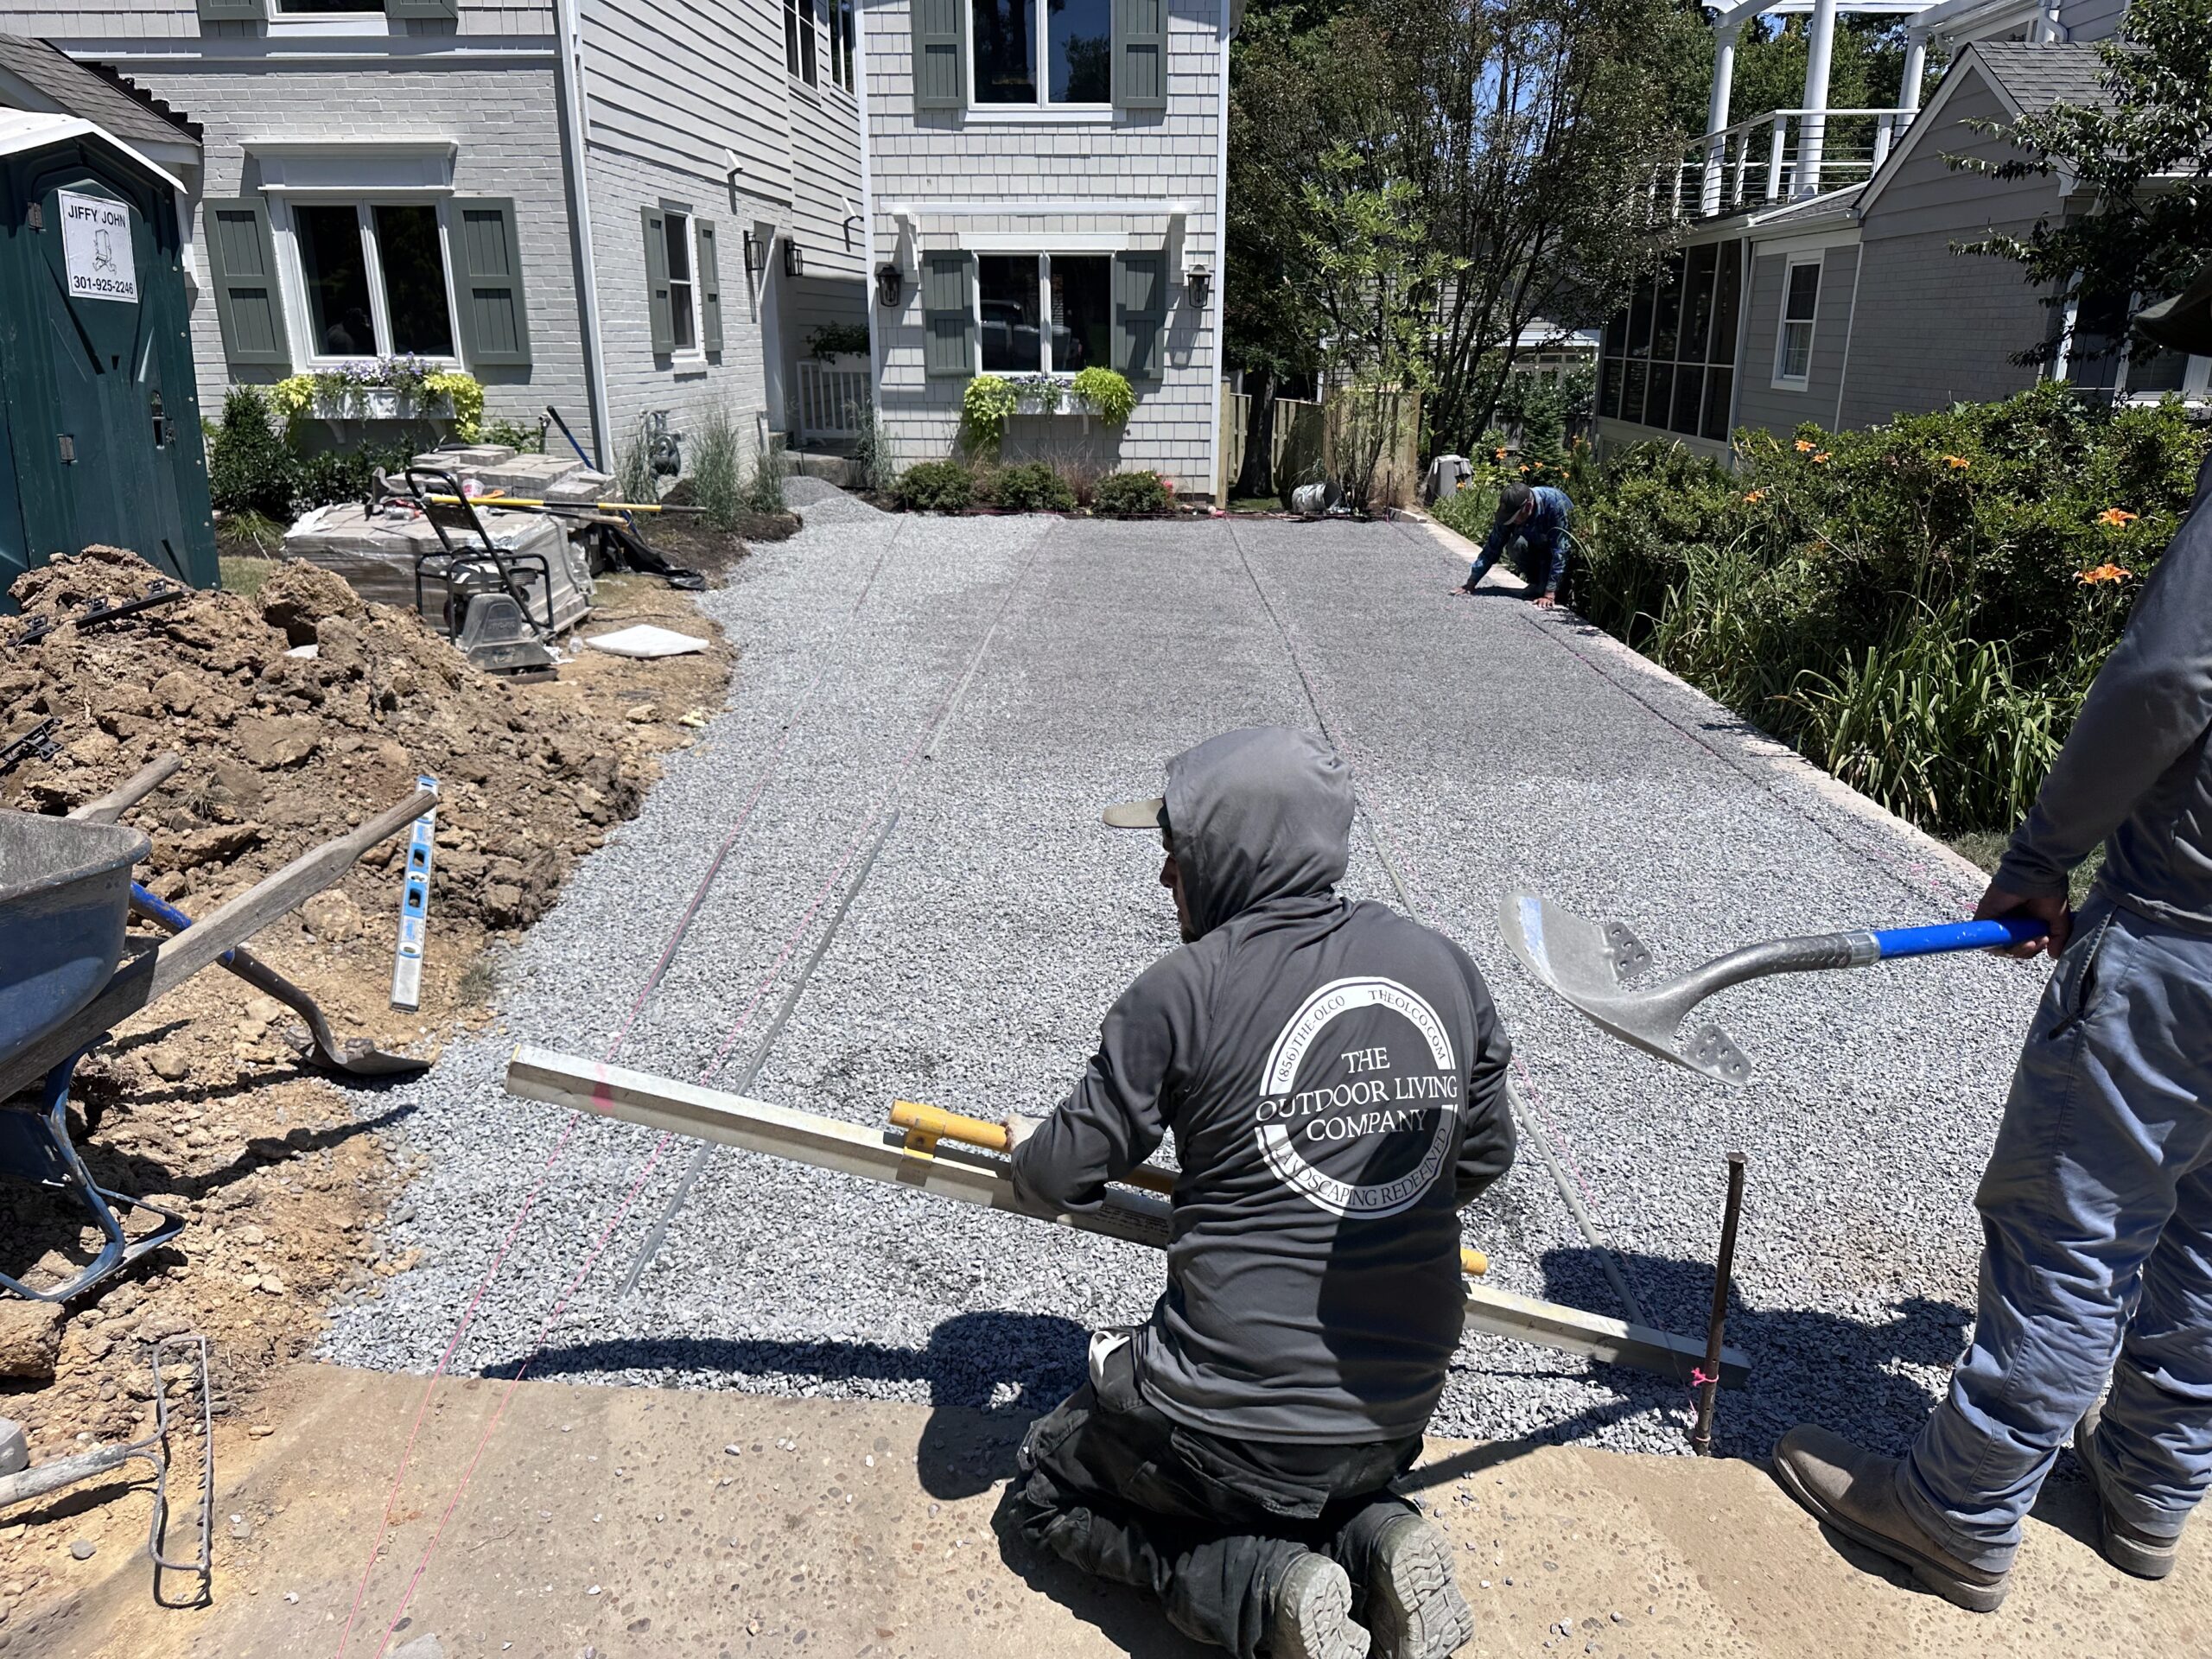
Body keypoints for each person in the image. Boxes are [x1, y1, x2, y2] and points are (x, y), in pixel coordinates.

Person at [1770, 389, 2212, 1606]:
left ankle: (1957, 1509)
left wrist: (2040, 857)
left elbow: (2169, 679)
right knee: (2210, 1241)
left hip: (2184, 946)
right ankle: (2149, 1487)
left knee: (2076, 1233)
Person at [1002, 725, 1516, 1659]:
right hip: (1398, 1412)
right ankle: (1376, 1536)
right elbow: (1477, 1164)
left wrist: (1028, 1146)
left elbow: (1054, 1175)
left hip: (1227, 1426)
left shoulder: (1182, 991)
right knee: (1307, 1472)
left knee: (1046, 1489)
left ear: (1227, 854)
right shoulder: (1446, 967)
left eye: (1175, 853)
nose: (1165, 879)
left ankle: (1263, 1592)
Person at [1455, 480, 1571, 607]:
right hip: (1537, 546)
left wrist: (1549, 594)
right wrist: (1472, 581)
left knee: (1549, 588)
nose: (1512, 521)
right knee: (1516, 545)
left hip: (1559, 553)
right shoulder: (1511, 509)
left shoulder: (1555, 505)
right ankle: (1537, 584)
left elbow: (1561, 552)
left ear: (1528, 507)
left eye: (1514, 517)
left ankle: (1553, 590)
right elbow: (1493, 546)